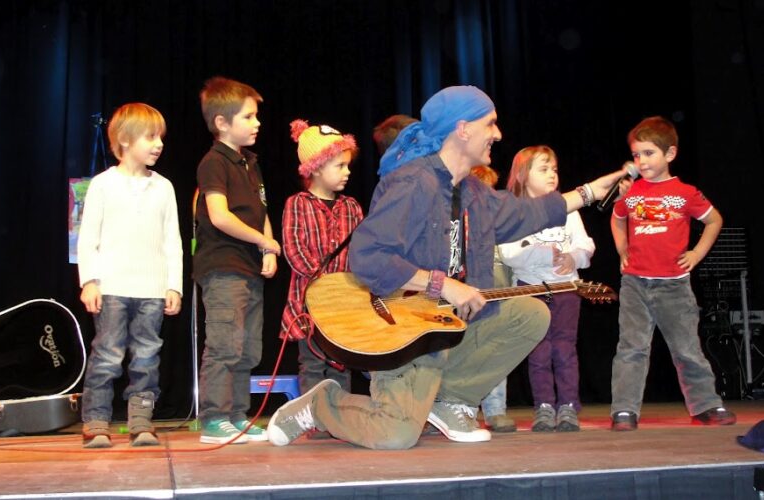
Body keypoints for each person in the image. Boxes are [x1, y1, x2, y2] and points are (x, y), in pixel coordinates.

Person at [267, 85, 627, 450]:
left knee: (531, 314)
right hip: (404, 335)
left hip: (445, 328)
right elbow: (369, 256)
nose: (498, 134)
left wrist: (589, 192)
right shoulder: (413, 183)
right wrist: (441, 284)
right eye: (491, 124)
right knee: (395, 435)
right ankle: (319, 404)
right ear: (463, 128)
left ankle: (450, 401)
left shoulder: (473, 191)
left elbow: (524, 213)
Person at [609, 116, 735, 431]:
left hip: (674, 286)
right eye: (637, 154)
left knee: (687, 348)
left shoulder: (686, 193)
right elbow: (617, 218)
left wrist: (696, 253)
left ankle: (705, 405)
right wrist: (622, 249)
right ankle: (624, 410)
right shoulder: (632, 192)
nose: (642, 160)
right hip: (635, 283)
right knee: (631, 348)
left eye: (649, 153)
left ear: (670, 154)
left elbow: (714, 220)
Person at [77, 102, 182, 448]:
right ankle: (96, 421)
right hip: (112, 288)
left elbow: (173, 240)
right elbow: (88, 237)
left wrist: (173, 286)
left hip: (151, 290)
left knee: (147, 358)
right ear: (124, 140)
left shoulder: (164, 187)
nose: (158, 144)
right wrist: (89, 281)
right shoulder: (103, 185)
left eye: (160, 137)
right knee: (107, 354)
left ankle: (141, 421)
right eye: (150, 137)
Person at [193, 77, 280, 444]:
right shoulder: (214, 163)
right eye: (249, 116)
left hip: (249, 267)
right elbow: (220, 215)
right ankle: (214, 419)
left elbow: (260, 210)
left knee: (247, 347)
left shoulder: (251, 163)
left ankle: (238, 416)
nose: (257, 123)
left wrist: (268, 245)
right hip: (224, 266)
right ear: (222, 123)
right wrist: (263, 240)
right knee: (225, 343)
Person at [499, 146, 595, 432]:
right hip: (530, 290)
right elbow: (509, 253)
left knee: (565, 349)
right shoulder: (514, 212)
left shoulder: (567, 208)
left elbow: (586, 245)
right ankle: (543, 406)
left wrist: (573, 257)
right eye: (543, 169)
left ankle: (567, 406)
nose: (552, 174)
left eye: (554, 169)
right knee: (539, 352)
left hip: (566, 289)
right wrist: (544, 253)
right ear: (522, 175)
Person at [280, 119, 364, 433]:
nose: (347, 171)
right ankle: (315, 421)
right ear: (316, 167)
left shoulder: (352, 207)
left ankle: (339, 422)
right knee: (313, 364)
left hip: (344, 306)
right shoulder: (297, 204)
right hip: (309, 306)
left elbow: (359, 253)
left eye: (347, 165)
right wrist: (325, 285)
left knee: (341, 364)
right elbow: (294, 250)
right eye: (340, 165)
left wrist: (349, 287)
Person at [471, 165, 516, 434]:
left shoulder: (501, 231)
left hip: (497, 306)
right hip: (463, 310)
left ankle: (495, 410)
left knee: (495, 359)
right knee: (463, 361)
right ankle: (461, 410)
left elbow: (511, 269)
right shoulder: (457, 230)